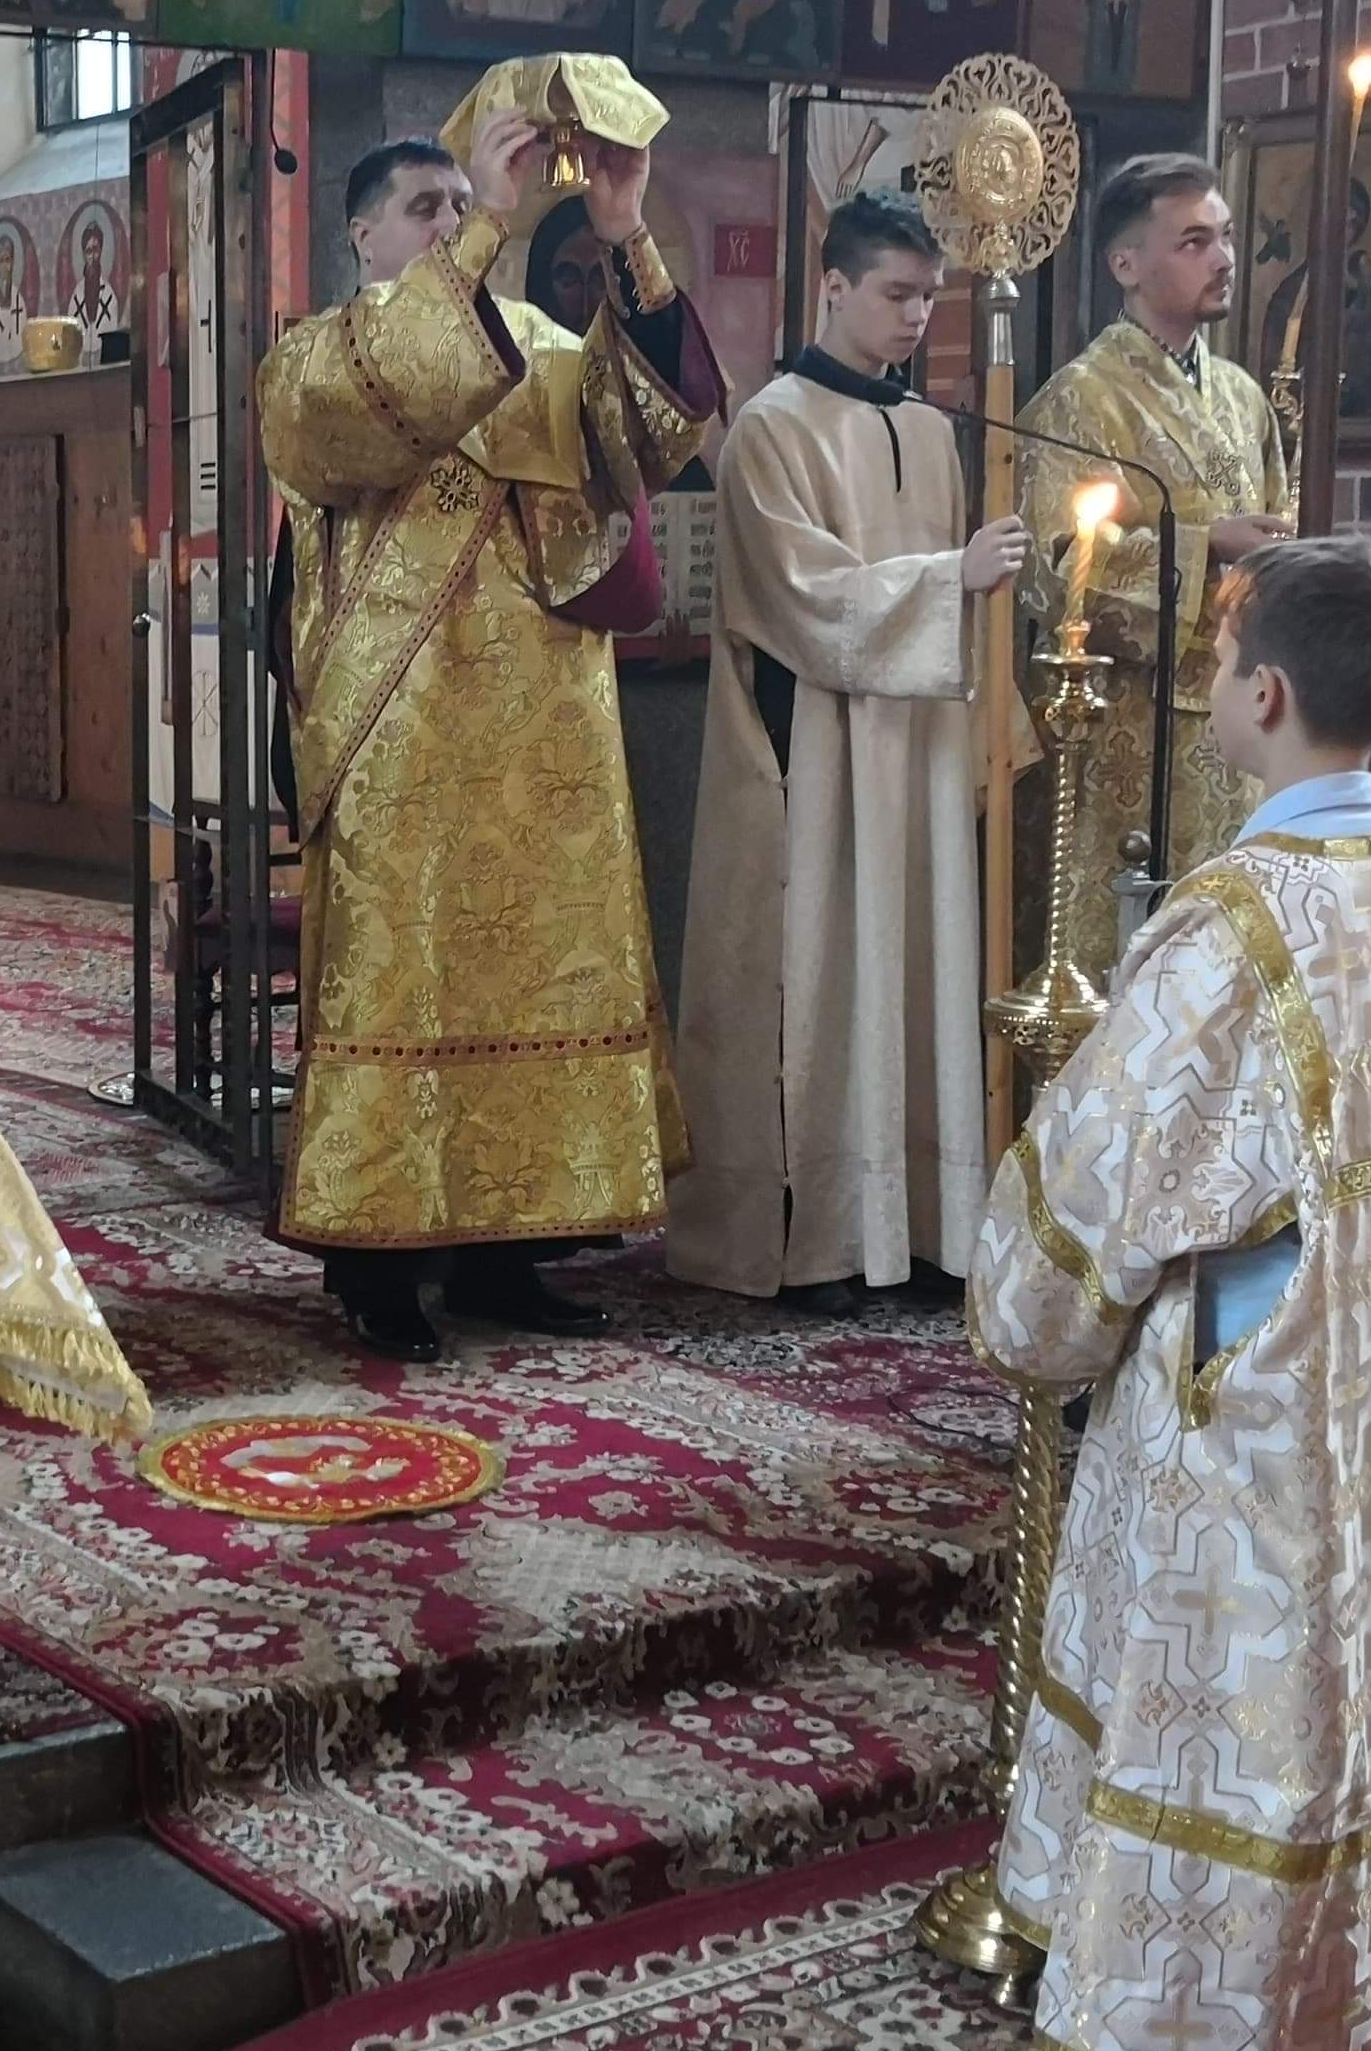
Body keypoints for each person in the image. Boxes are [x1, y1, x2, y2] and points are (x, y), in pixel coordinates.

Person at [972, 532, 1371, 2051]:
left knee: (1246, 1708)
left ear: (1262, 695)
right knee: (1364, 1685)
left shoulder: (1233, 930)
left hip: (1249, 1411)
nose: (1209, 687)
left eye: (1216, 664)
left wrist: (1030, 1317)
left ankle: (1212, 2029)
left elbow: (1100, 1185)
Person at [256, 93, 722, 1363]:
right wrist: (479, 235)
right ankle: (376, 1268)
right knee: (401, 978)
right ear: (360, 235)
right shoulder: (316, 355)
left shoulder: (546, 349)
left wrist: (623, 235)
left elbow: (661, 434)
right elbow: (393, 398)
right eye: (426, 207)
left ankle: (511, 1250)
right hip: (396, 725)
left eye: (463, 205)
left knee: (540, 970)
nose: (457, 220)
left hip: (546, 732)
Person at [670, 191, 1025, 1309]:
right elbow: (799, 594)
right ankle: (813, 1234)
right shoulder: (771, 426)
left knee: (915, 968)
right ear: (832, 285)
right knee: (818, 980)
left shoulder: (928, 429)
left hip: (916, 746)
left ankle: (915, 1225)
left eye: (929, 298)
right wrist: (950, 577)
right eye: (896, 294)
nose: (916, 316)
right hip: (815, 745)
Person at [1014, 153, 1292, 980]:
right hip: (1126, 744)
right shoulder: (1080, 398)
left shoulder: (1244, 398)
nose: (1223, 258)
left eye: (1226, 237)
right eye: (1194, 241)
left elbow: (1278, 530)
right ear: (1126, 265)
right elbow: (1054, 569)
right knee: (1127, 969)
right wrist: (1206, 546)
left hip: (1242, 725)